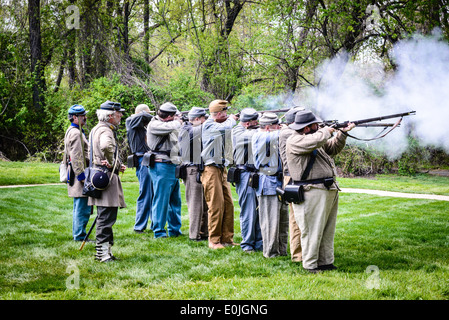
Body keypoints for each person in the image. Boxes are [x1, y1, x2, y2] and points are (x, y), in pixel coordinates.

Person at [286, 109, 354, 273]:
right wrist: (328, 130)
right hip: (311, 189)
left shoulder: (315, 138)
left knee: (326, 229)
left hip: (326, 188)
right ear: (308, 127)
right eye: (316, 124)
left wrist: (342, 134)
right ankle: (310, 264)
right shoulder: (295, 140)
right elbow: (317, 139)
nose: (319, 126)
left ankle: (325, 262)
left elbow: (332, 148)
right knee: (312, 230)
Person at [88, 100, 127, 262]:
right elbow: (106, 147)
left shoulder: (96, 128)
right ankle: (102, 255)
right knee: (106, 217)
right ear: (110, 115)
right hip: (106, 177)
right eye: (118, 114)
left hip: (99, 174)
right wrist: (113, 163)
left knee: (105, 216)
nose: (121, 116)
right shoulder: (106, 131)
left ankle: (106, 252)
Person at [201, 99, 239, 249]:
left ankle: (227, 238)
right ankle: (214, 240)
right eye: (224, 112)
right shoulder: (209, 124)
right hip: (210, 168)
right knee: (216, 205)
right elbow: (227, 127)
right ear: (218, 113)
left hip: (221, 167)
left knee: (228, 204)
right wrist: (231, 119)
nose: (227, 114)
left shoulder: (219, 123)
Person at [252, 112, 289, 258]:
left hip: (279, 181)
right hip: (268, 182)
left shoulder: (273, 134)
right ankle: (270, 252)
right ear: (268, 127)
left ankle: (281, 250)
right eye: (276, 125)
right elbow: (278, 136)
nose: (278, 128)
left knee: (282, 220)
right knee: (270, 221)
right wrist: (287, 128)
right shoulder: (260, 135)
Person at [146, 102, 183, 239]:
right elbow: (172, 126)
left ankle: (174, 230)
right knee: (161, 200)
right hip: (161, 165)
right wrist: (178, 120)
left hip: (172, 163)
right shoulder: (154, 124)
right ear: (169, 116)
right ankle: (159, 231)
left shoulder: (169, 123)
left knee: (175, 200)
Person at [231, 108, 262, 253]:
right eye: (256, 121)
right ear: (249, 122)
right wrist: (266, 128)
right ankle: (247, 243)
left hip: (257, 173)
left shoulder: (253, 130)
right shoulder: (238, 131)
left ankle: (259, 242)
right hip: (244, 173)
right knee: (249, 211)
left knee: (260, 210)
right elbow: (251, 137)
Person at [278, 106, 304, 263]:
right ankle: (297, 255)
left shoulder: (290, 131)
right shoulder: (288, 133)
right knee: (295, 220)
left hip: (296, 176)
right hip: (291, 177)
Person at [179, 107, 209, 241]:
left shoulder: (192, 128)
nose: (205, 121)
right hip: (192, 169)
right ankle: (193, 234)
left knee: (204, 203)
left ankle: (203, 232)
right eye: (203, 119)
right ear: (197, 119)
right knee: (195, 204)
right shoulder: (188, 129)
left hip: (198, 168)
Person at [64, 104, 91, 242]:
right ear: (74, 117)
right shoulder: (75, 133)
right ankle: (80, 236)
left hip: (76, 173)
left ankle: (79, 234)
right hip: (78, 175)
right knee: (82, 208)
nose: (85, 117)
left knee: (79, 207)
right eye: (82, 116)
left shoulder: (74, 130)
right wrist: (82, 177)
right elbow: (76, 156)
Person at [125, 104, 154, 233]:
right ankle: (139, 226)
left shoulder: (138, 125)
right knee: (146, 193)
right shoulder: (131, 121)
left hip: (146, 160)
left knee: (152, 193)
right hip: (143, 160)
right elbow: (144, 117)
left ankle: (154, 224)